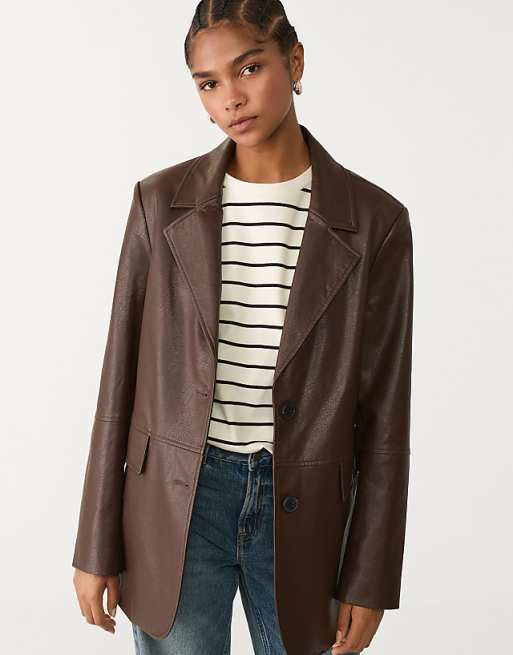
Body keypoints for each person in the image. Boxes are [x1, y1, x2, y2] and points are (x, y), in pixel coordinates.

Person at [72, 1, 414, 654]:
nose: (230, 97)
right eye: (208, 82)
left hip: (306, 512)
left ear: (295, 61)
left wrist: (371, 575)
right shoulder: (158, 204)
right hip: (177, 502)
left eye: (249, 68)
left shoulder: (376, 222)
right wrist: (94, 543)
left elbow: (385, 417)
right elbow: (118, 380)